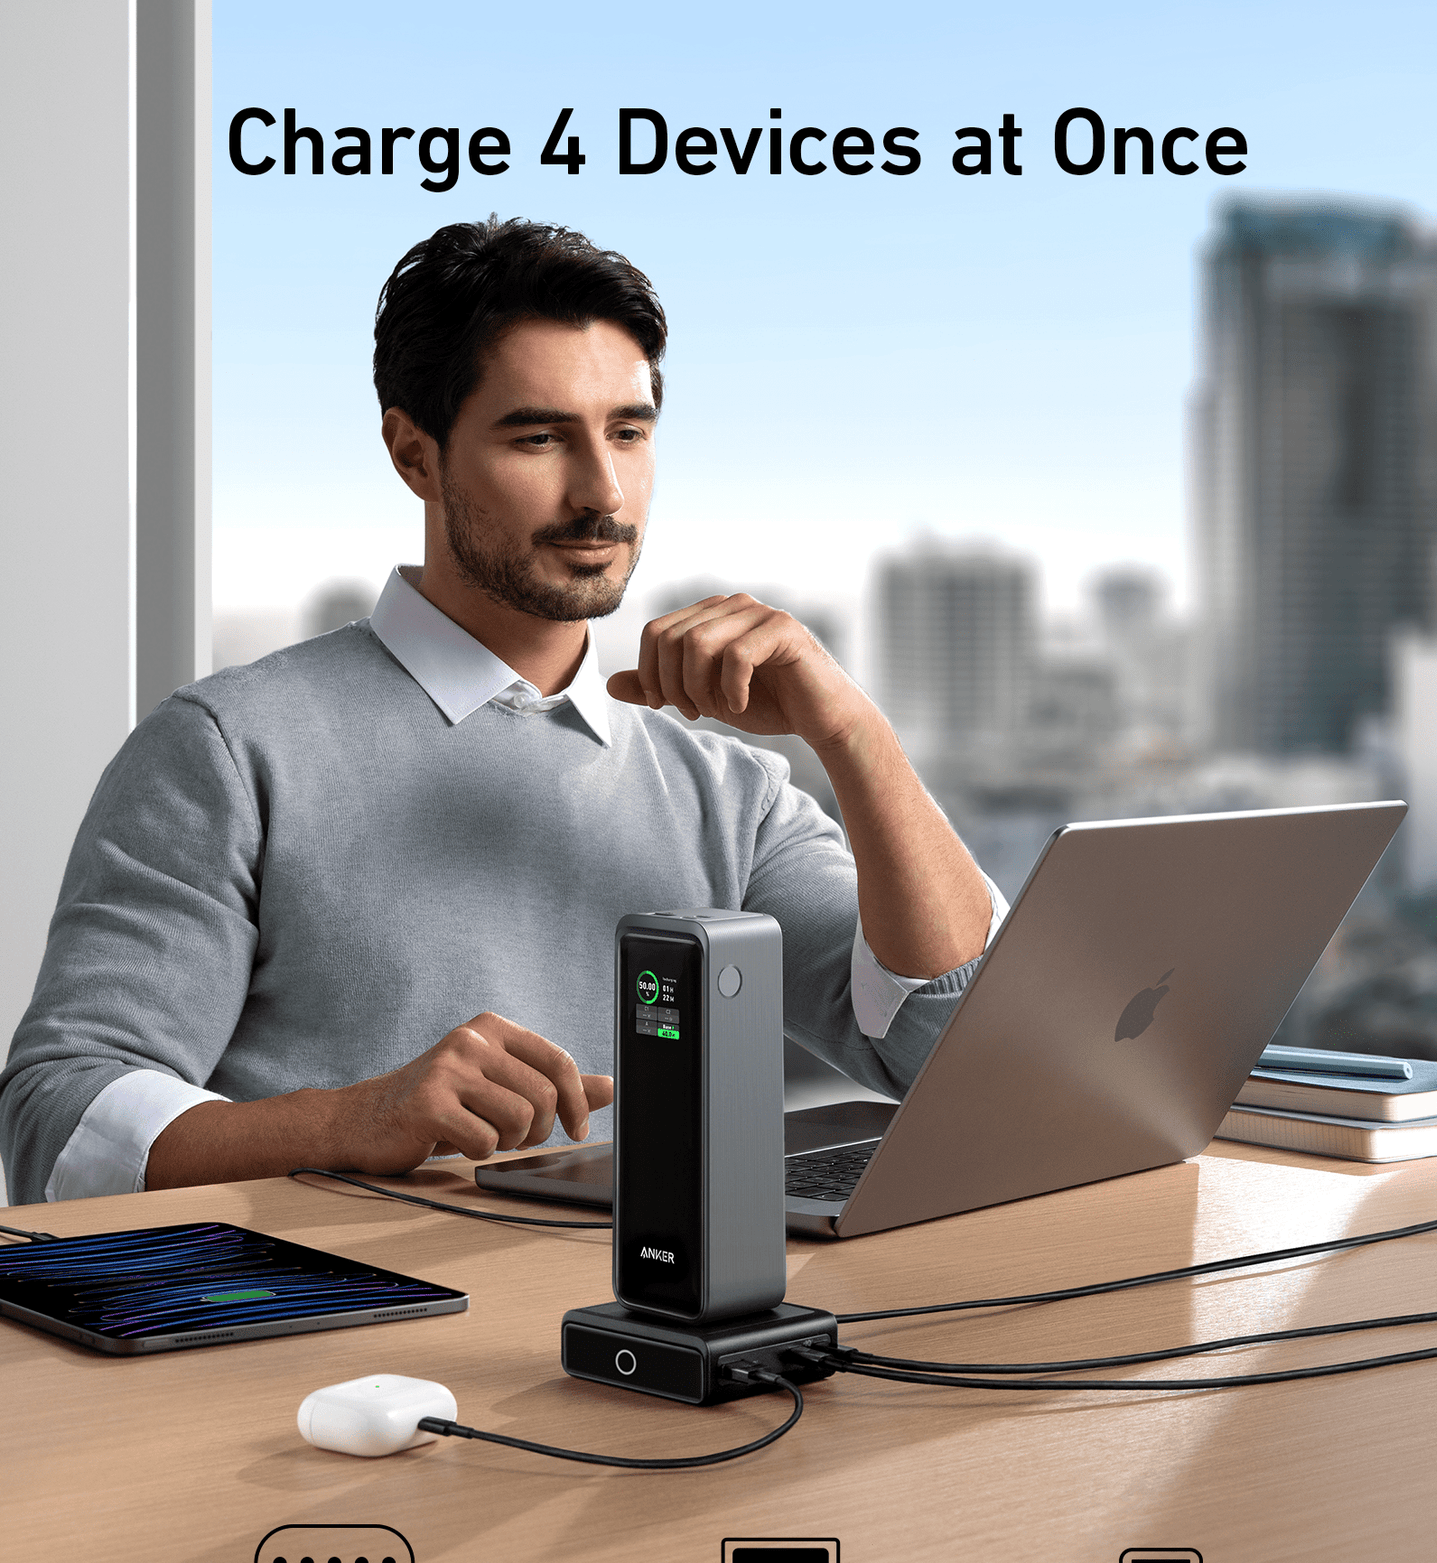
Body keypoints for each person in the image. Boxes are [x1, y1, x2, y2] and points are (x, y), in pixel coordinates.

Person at [0, 216, 1005, 1208]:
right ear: (414, 456)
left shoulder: (727, 794)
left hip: (651, 1339)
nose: (601, 491)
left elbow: (958, 1060)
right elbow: (57, 1118)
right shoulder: (228, 749)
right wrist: (352, 1122)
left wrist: (854, 736)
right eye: (538, 437)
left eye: (628, 432)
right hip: (345, 1357)